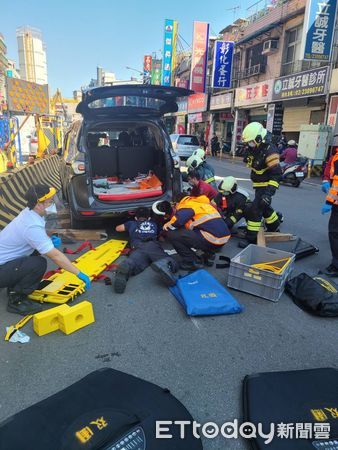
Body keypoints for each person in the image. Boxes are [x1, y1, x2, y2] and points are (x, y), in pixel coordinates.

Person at [0, 184, 91, 315]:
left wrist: (49, 238)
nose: (51, 203)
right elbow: (55, 256)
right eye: (49, 201)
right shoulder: (31, 226)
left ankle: (15, 284)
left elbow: (38, 233)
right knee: (38, 264)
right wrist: (78, 273)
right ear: (38, 205)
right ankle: (16, 300)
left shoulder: (30, 212)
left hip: (5, 264)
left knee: (36, 252)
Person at [156, 195, 230, 271]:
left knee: (172, 235)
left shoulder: (186, 206)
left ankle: (191, 262)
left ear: (178, 203)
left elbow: (178, 221)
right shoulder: (200, 203)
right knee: (195, 231)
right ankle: (209, 254)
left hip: (212, 239)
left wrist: (165, 227)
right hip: (223, 238)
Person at [114, 207, 178, 293]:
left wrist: (129, 226)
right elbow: (162, 236)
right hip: (152, 245)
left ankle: (127, 265)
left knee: (135, 261)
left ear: (136, 217)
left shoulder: (131, 223)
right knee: (168, 260)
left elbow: (117, 228)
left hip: (137, 247)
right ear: (149, 218)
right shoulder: (154, 223)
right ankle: (165, 264)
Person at [241, 122, 282, 243]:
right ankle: (274, 226)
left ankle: (251, 238)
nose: (250, 145)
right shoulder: (256, 148)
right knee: (265, 207)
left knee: (256, 210)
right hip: (258, 185)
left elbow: (277, 174)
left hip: (266, 186)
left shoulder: (270, 151)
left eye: (251, 142)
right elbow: (250, 160)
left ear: (259, 138)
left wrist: (268, 194)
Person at [321, 148, 338, 276]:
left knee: (334, 232)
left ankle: (336, 266)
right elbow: (329, 170)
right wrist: (326, 180)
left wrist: (328, 202)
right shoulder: (335, 155)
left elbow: (336, 185)